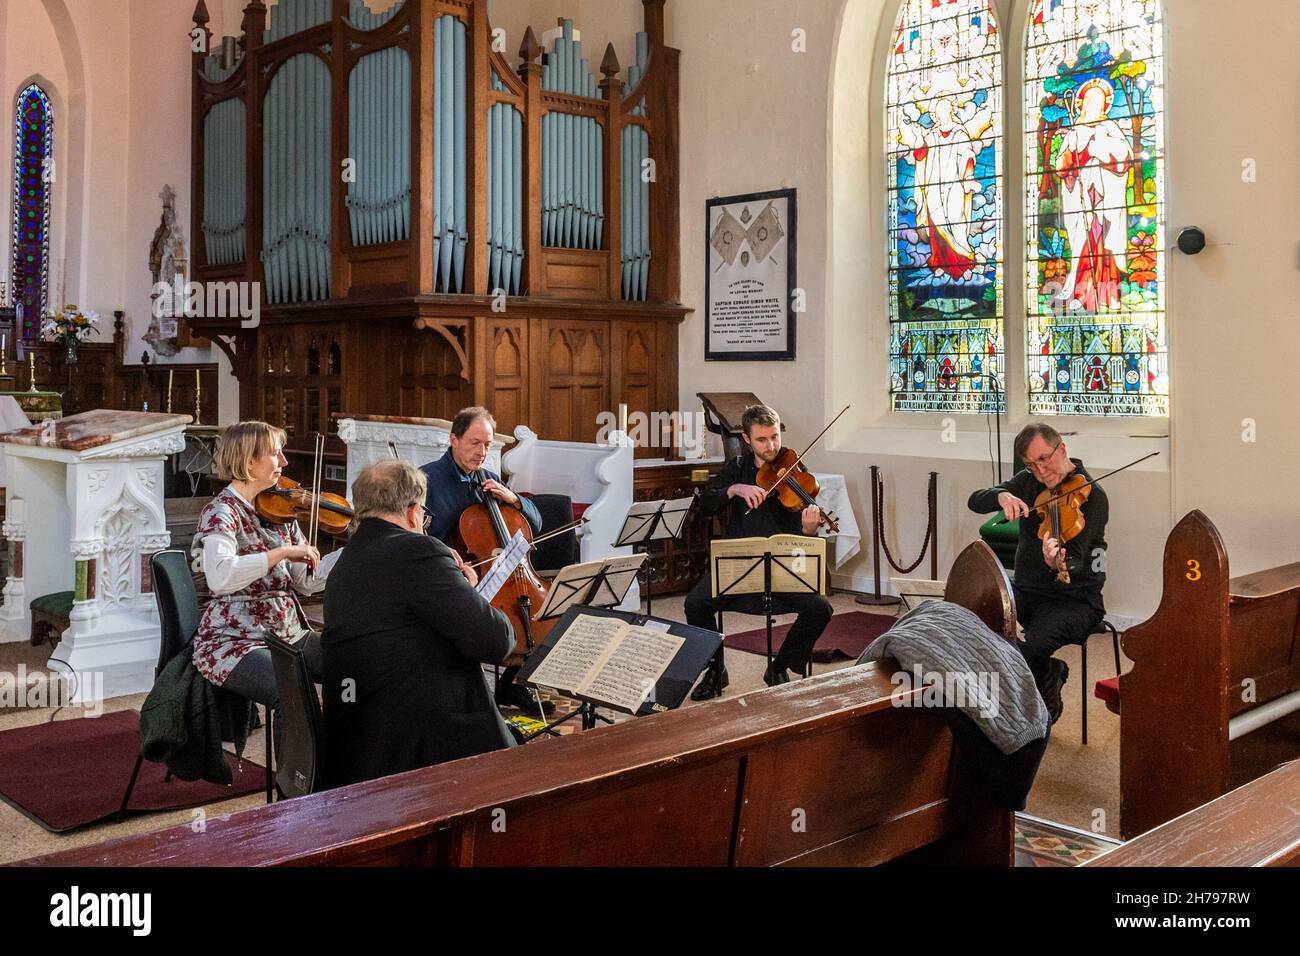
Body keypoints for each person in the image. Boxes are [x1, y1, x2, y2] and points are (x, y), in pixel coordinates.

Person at [321, 460, 517, 788]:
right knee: (522, 765)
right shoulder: (417, 551)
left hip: (357, 738)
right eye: (424, 516)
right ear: (414, 512)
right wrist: (471, 592)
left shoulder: (347, 559)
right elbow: (498, 641)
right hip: (412, 741)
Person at [686, 404, 833, 700]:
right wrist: (734, 489)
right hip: (739, 566)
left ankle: (779, 666)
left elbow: (805, 536)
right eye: (763, 440)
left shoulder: (794, 470)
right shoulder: (736, 469)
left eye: (775, 437)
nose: (772, 446)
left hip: (784, 567)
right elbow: (705, 504)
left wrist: (810, 530)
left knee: (821, 609)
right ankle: (716, 670)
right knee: (695, 603)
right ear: (747, 439)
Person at [967, 422, 1109, 722]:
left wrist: (1056, 562)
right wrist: (1001, 496)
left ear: (1062, 449)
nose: (1041, 471)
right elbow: (975, 499)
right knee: (976, 622)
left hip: (1074, 601)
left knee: (1029, 649)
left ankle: (1020, 718)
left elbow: (1079, 560)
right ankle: (1047, 671)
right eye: (1032, 465)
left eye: (1044, 459)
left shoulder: (1093, 496)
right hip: (1027, 591)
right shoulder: (1028, 482)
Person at [419, 406, 552, 714]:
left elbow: (537, 524)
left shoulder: (491, 479)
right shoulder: (428, 480)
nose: (482, 452)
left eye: (488, 445)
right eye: (474, 443)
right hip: (454, 577)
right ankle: (471, 697)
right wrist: (458, 555)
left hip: (502, 575)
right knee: (487, 625)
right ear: (454, 439)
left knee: (547, 616)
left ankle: (510, 685)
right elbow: (420, 539)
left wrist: (514, 500)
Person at [190, 421, 326, 706]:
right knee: (294, 695)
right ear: (250, 462)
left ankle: (344, 746)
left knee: (352, 671)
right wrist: (280, 554)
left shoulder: (280, 511)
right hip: (235, 640)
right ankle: (304, 752)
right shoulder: (221, 512)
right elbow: (220, 577)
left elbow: (307, 582)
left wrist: (353, 554)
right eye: (276, 454)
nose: (285, 462)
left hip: (288, 631)